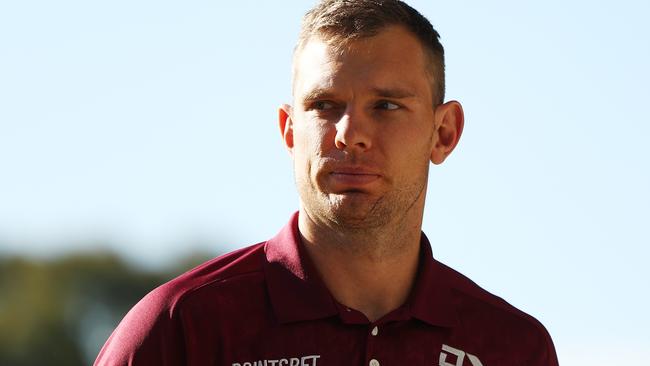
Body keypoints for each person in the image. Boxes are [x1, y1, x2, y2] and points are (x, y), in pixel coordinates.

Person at [95, 1, 559, 365]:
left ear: (444, 133)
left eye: (386, 106)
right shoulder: (181, 328)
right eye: (324, 105)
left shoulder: (513, 349)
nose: (349, 134)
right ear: (289, 130)